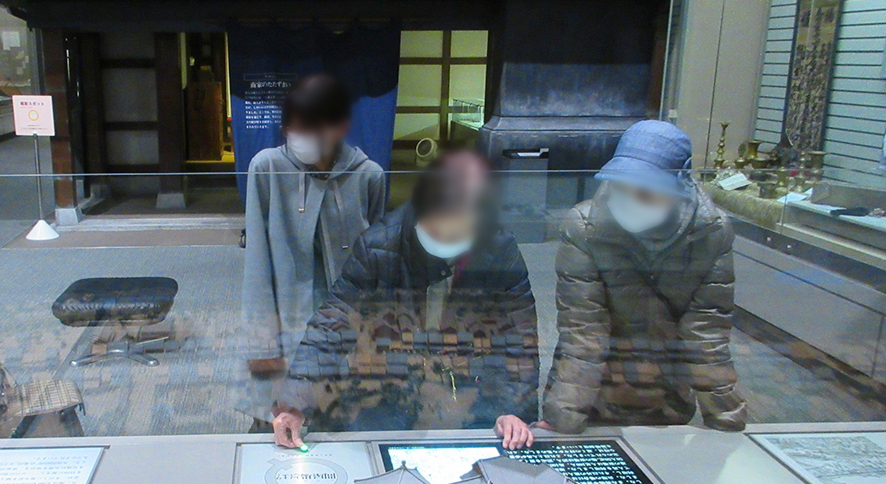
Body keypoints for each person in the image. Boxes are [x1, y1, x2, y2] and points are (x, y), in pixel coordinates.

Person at [272, 151, 539, 449]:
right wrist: (295, 402)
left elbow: (518, 338)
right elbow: (333, 324)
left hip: (469, 391)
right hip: (391, 388)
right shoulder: (379, 246)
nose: (444, 238)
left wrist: (512, 410)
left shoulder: (499, 249)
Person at [541, 119, 746, 434]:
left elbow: (706, 333)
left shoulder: (711, 232)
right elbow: (584, 331)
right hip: (596, 394)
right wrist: (564, 418)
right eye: (621, 187)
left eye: (646, 192)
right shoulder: (585, 227)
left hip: (667, 396)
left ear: (677, 189)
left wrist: (727, 418)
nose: (631, 201)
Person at [240, 74, 387, 428]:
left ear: (339, 127)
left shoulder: (369, 175)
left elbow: (378, 268)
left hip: (344, 332)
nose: (299, 136)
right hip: (287, 324)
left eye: (311, 128)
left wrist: (375, 340)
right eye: (294, 128)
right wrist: (261, 345)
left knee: (341, 430)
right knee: (276, 433)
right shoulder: (267, 167)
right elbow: (257, 264)